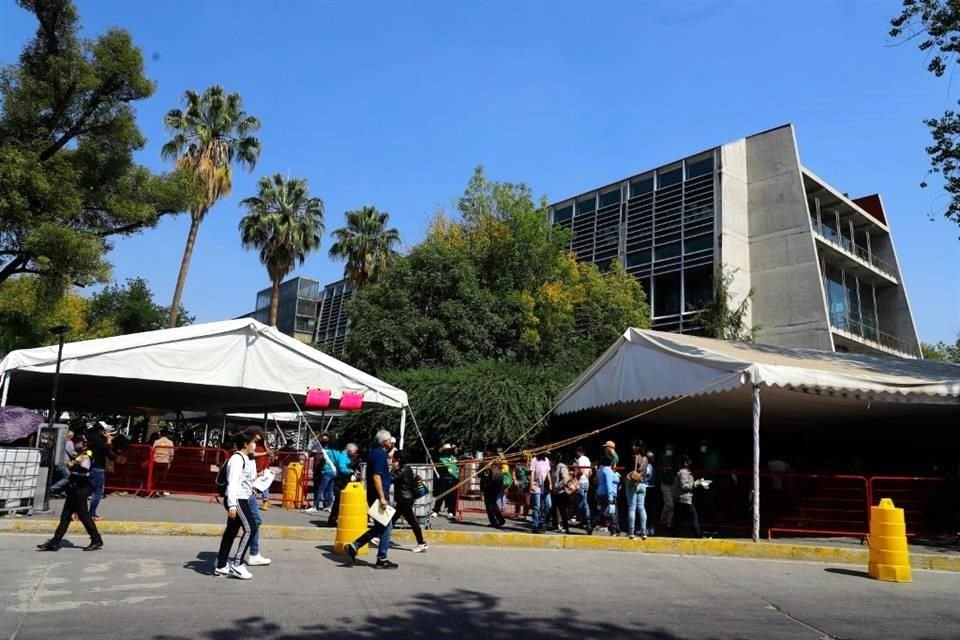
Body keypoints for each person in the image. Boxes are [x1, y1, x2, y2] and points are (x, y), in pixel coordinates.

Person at [37, 434, 104, 552]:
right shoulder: (82, 453)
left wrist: (72, 466)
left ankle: (96, 539)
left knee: (84, 516)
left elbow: (84, 468)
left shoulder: (88, 453)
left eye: (83, 442)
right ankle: (55, 542)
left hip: (80, 487)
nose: (80, 443)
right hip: (74, 487)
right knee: (65, 516)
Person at [345, 430, 398, 569]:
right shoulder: (380, 455)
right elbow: (376, 476)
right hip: (378, 495)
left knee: (381, 526)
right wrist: (382, 498)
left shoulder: (374, 453)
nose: (391, 443)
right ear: (384, 442)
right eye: (389, 440)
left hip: (374, 494)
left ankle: (355, 545)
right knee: (387, 526)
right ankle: (382, 558)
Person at [214, 431, 259, 579]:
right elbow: (233, 483)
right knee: (250, 529)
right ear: (246, 444)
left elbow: (243, 480)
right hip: (237, 500)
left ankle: (221, 564)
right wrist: (232, 505)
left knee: (231, 532)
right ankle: (237, 564)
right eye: (253, 442)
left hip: (241, 497)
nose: (255, 445)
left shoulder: (245, 458)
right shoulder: (237, 459)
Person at [243, 427, 272, 567]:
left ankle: (251, 553)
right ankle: (249, 555)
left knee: (252, 523)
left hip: (250, 490)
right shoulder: (246, 451)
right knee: (253, 523)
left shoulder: (255, 447)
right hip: (245, 493)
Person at [390, 450, 428, 553]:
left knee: (412, 522)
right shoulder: (407, 469)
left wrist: (392, 470)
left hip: (404, 500)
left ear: (398, 459)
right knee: (392, 520)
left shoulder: (401, 470)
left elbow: (390, 479)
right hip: (405, 499)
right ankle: (381, 537)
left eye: (393, 458)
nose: (391, 460)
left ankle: (421, 543)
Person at [85, 422, 117, 522]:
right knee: (98, 492)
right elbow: (108, 453)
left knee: (86, 491)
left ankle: (78, 512)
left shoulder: (89, 437)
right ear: (101, 431)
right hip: (97, 467)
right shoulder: (98, 440)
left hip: (88, 467)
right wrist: (109, 440)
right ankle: (91, 514)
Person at [327, 442, 360, 526]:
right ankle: (332, 520)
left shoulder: (346, 456)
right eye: (354, 451)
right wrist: (351, 471)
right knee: (338, 501)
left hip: (344, 480)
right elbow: (342, 468)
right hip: (341, 480)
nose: (354, 453)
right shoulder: (342, 456)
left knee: (341, 501)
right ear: (350, 450)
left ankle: (335, 519)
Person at [306, 432, 337, 513]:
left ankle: (320, 505)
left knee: (324, 489)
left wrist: (321, 453)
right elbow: (310, 454)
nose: (324, 440)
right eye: (323, 438)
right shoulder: (317, 445)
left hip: (325, 470)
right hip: (319, 470)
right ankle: (326, 505)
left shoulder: (330, 448)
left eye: (326, 439)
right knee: (320, 488)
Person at [625, 440, 650, 540]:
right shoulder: (646, 459)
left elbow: (628, 469)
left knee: (632, 507)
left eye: (635, 446)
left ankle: (631, 531)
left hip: (633, 483)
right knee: (641, 507)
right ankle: (643, 531)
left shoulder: (633, 457)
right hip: (643, 484)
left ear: (638, 447)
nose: (633, 447)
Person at [674, 454, 703, 538]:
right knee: (694, 517)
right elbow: (685, 486)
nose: (691, 462)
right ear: (685, 463)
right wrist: (696, 483)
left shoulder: (685, 472)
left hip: (681, 499)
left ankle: (674, 535)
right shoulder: (683, 472)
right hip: (685, 499)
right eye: (689, 461)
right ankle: (698, 536)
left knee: (677, 520)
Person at [432, 444, 459, 519]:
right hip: (444, 479)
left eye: (450, 450)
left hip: (454, 479)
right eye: (447, 450)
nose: (448, 452)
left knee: (452, 496)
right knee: (441, 494)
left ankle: (451, 512)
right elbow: (440, 468)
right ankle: (436, 510)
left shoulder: (455, 458)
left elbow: (458, 465)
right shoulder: (441, 459)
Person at [596, 454, 620, 535]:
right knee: (613, 512)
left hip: (600, 493)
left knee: (603, 512)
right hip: (609, 494)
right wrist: (610, 498)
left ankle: (592, 525)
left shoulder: (600, 470)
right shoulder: (608, 471)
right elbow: (609, 484)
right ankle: (614, 530)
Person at [479, 454, 506, 529]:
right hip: (495, 487)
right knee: (494, 504)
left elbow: (480, 475)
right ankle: (500, 520)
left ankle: (494, 522)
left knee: (489, 505)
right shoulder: (496, 464)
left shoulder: (485, 465)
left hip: (488, 487)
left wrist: (481, 466)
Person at [549, 451, 572, 534]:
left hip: (561, 492)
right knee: (553, 508)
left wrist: (557, 486)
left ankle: (566, 527)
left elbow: (565, 479)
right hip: (554, 492)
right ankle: (555, 524)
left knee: (562, 510)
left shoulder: (562, 467)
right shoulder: (553, 467)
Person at [528, 452, 552, 533]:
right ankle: (535, 525)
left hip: (545, 485)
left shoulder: (546, 460)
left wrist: (550, 482)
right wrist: (531, 484)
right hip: (537, 484)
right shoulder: (534, 460)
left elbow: (548, 472)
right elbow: (532, 472)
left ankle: (541, 521)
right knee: (537, 506)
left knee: (549, 505)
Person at [49, 431, 77, 497]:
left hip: (57, 461)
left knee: (60, 477)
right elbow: (72, 453)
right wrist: (79, 455)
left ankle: (61, 492)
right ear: (70, 436)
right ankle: (51, 489)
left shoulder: (59, 442)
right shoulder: (69, 442)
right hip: (64, 462)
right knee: (68, 477)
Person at [573, 446, 593, 535]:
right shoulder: (588, 459)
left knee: (581, 502)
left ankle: (586, 520)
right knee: (584, 501)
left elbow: (580, 471)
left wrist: (575, 475)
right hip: (586, 482)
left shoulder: (580, 459)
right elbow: (590, 472)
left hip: (580, 482)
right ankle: (586, 520)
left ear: (579, 452)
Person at [659, 442, 676, 532]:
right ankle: (663, 520)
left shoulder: (674, 458)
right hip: (665, 483)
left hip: (673, 483)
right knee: (670, 504)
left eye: (671, 449)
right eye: (668, 448)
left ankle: (668, 521)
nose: (669, 450)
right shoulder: (662, 458)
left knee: (671, 504)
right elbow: (660, 468)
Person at [151, 430, 175, 495]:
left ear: (160, 435)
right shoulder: (170, 442)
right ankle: (161, 490)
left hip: (156, 460)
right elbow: (172, 454)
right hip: (165, 461)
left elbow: (153, 451)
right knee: (163, 477)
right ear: (167, 435)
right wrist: (170, 462)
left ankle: (154, 490)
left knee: (155, 476)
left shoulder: (156, 442)